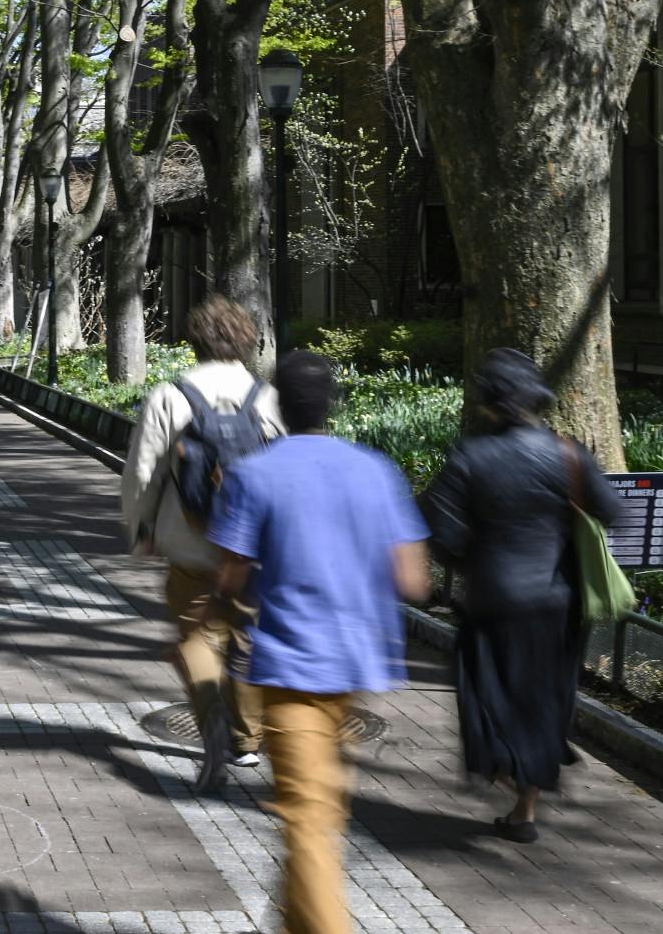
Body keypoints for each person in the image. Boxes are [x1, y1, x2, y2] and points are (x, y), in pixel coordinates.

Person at [207, 350, 431, 934]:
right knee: (321, 810)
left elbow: (229, 576)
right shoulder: (376, 469)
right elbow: (413, 580)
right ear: (332, 404)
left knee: (307, 822)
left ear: (279, 404)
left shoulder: (255, 474)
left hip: (290, 665)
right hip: (359, 664)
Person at [420, 347, 623, 844]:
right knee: (540, 701)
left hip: (491, 603)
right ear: (536, 397)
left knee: (488, 702)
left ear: (487, 402)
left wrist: (471, 559)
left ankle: (514, 776)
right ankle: (524, 811)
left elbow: (441, 535)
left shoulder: (468, 457)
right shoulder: (569, 454)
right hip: (558, 604)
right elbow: (611, 510)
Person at [119, 297, 285, 781]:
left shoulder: (171, 396)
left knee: (196, 635)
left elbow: (142, 474)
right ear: (246, 341)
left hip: (191, 542)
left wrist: (143, 531)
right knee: (247, 637)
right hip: (254, 547)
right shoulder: (268, 397)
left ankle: (210, 714)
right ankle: (247, 740)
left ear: (195, 343)